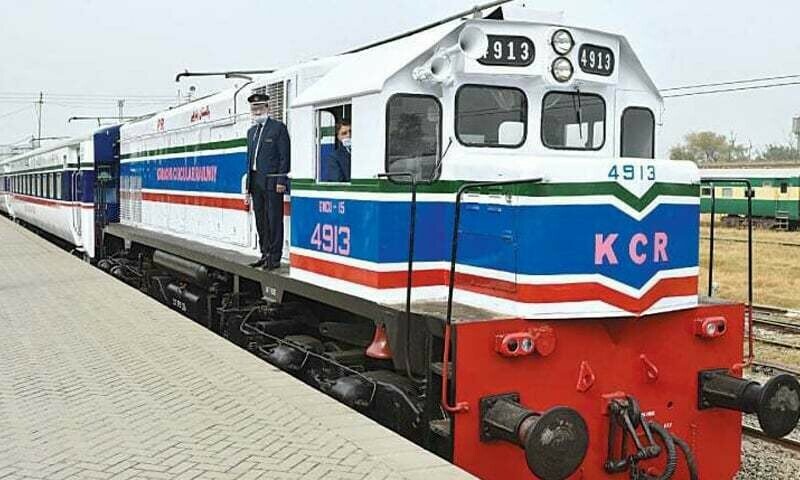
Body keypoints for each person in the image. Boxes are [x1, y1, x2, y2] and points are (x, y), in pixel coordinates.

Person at [245, 92, 290, 270]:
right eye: (254, 108)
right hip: (256, 182)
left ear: (267, 108)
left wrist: (281, 180)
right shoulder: (251, 132)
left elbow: (284, 157)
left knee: (273, 219)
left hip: (272, 182)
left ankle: (275, 257)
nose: (256, 111)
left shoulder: (278, 128)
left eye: (260, 107)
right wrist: (248, 187)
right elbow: (249, 160)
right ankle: (264, 253)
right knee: (260, 220)